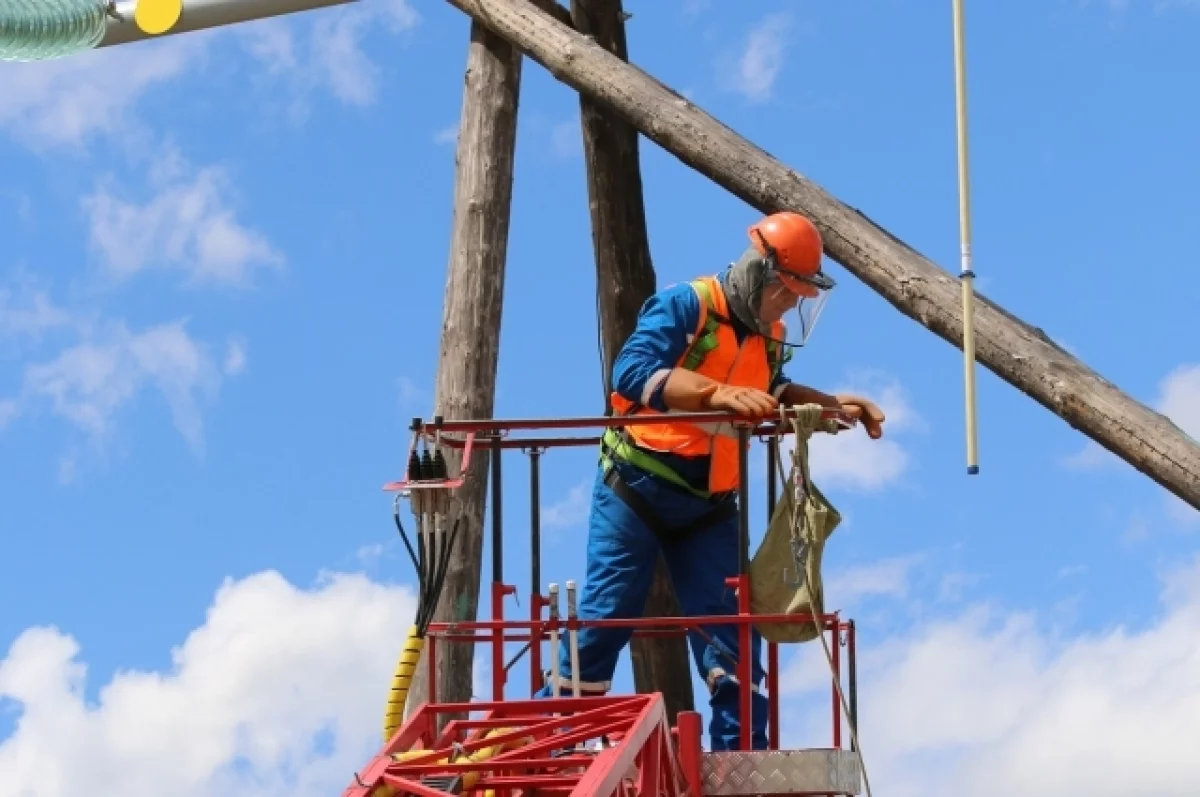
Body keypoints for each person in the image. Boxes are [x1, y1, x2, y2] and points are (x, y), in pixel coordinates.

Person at [534, 211, 886, 751]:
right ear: (760, 274)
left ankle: (739, 759)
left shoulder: (769, 332)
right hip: (638, 487)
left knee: (731, 637)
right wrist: (713, 395)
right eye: (788, 292)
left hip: (710, 503)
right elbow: (630, 372)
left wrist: (829, 405)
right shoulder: (687, 305)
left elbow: (769, 386)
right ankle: (549, 745)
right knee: (604, 622)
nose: (791, 304)